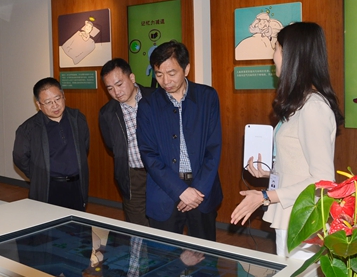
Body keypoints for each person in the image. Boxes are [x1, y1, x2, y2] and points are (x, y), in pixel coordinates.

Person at [230, 22, 343, 258]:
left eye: (277, 49)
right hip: (292, 216)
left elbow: (322, 181)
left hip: (303, 221)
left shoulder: (314, 108)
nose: (273, 57)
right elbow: (300, 167)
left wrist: (264, 196)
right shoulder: (300, 104)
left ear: (293, 56)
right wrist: (270, 173)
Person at [137, 40, 223, 241]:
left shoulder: (207, 97)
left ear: (187, 69)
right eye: (159, 74)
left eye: (171, 73)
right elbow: (149, 155)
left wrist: (197, 190)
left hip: (202, 190)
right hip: (164, 191)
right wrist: (181, 190)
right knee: (163, 255)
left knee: (204, 254)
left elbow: (213, 148)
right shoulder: (147, 106)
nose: (165, 81)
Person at [13, 77, 90, 211]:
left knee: (78, 223)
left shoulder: (77, 118)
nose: (55, 105)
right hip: (49, 187)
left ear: (63, 96)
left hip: (77, 185)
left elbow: (85, 146)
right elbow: (20, 158)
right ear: (39, 104)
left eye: (57, 99)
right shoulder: (29, 129)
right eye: (48, 102)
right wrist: (39, 174)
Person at [99, 58, 153, 226]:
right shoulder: (107, 113)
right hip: (133, 176)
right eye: (110, 88)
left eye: (119, 84)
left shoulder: (156, 98)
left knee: (166, 225)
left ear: (132, 78)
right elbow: (111, 145)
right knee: (138, 228)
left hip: (162, 171)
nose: (116, 92)